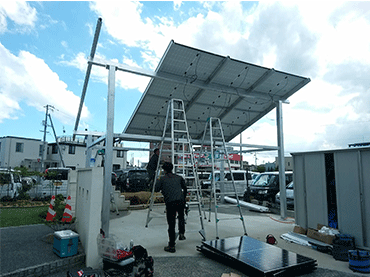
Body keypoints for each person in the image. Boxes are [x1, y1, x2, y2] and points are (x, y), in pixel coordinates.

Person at [155, 162, 187, 253]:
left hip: (170, 202)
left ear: (164, 170)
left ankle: (172, 245)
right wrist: (183, 199)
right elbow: (185, 188)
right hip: (180, 201)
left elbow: (156, 189)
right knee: (181, 217)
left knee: (171, 224)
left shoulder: (162, 179)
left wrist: (157, 180)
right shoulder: (179, 177)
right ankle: (181, 233)